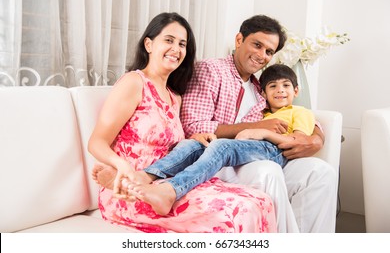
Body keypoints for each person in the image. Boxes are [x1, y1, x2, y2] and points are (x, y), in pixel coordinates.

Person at [88, 12, 277, 233]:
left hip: (167, 180)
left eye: (182, 44)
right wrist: (122, 167)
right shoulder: (134, 82)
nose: (176, 49)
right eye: (168, 40)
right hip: (131, 189)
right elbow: (96, 142)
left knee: (260, 201)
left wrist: (195, 138)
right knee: (238, 210)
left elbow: (170, 147)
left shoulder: (174, 96)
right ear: (149, 44)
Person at [178, 14, 338, 233]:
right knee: (268, 171)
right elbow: (193, 125)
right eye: (257, 45)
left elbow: (294, 114)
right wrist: (256, 128)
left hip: (256, 157)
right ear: (239, 40)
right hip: (218, 161)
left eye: (269, 51)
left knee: (321, 172)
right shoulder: (211, 70)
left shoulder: (259, 88)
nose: (262, 55)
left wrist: (316, 139)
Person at [125, 64, 316, 217]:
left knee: (222, 146)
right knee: (195, 144)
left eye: (286, 86)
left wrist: (262, 133)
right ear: (263, 94)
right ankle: (146, 175)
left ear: (296, 91)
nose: (280, 91)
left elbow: (296, 140)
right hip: (253, 147)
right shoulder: (261, 111)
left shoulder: (300, 112)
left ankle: (171, 191)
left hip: (274, 150)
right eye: (273, 86)